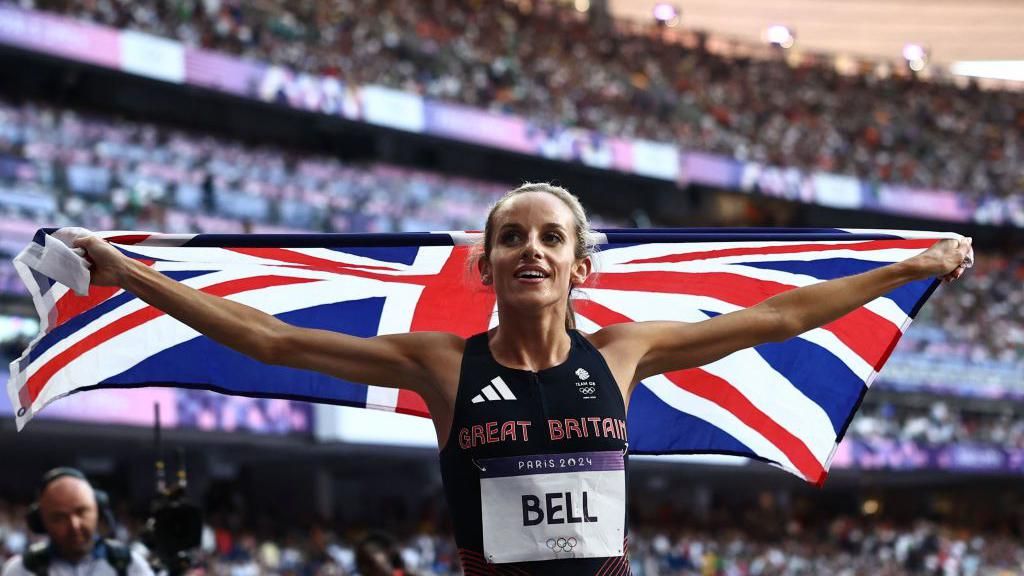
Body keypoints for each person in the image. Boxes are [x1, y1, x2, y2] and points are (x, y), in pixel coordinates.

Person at [72, 183, 973, 575]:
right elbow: (270, 340)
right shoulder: (439, 362)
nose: (531, 249)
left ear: (581, 267)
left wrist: (907, 268)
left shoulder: (623, 354)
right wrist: (135, 276)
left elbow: (775, 318)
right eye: (512, 236)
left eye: (551, 238)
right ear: (488, 266)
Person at [2, 468, 153, 576]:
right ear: (41, 521)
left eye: (82, 512)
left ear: (98, 510)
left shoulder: (129, 564)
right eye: (59, 517)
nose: (74, 525)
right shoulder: (21, 569)